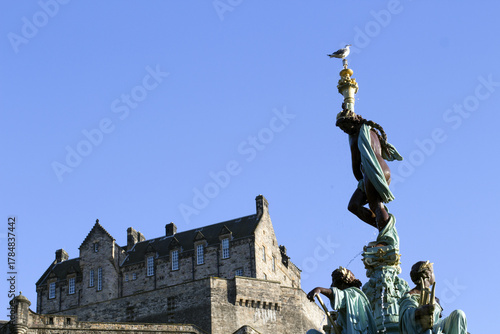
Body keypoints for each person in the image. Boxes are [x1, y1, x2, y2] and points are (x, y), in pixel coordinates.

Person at [336, 109, 402, 231]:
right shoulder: (370, 131)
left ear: (353, 122)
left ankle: (386, 235)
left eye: (345, 127)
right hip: (384, 170)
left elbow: (355, 164)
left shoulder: (356, 136)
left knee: (375, 205)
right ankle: (382, 228)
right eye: (342, 128)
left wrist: (361, 181)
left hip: (372, 170)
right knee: (354, 205)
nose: (344, 130)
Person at [399, 261, 467, 334]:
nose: (434, 275)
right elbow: (406, 314)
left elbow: (438, 320)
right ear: (427, 275)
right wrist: (420, 312)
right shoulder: (411, 295)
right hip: (424, 329)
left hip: (437, 328)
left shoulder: (433, 297)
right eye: (433, 272)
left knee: (459, 314)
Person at [306, 267, 377, 334]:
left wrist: (319, 289)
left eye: (334, 282)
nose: (331, 285)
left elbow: (338, 295)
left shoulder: (353, 294)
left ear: (342, 284)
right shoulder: (348, 303)